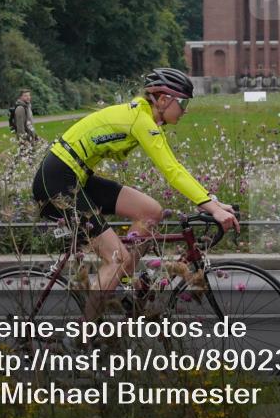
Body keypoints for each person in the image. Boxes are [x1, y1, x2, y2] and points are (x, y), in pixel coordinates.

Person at [32, 67, 239, 320]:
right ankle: (82, 339)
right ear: (163, 100)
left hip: (75, 177)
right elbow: (172, 170)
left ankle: (124, 287)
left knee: (151, 212)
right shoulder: (142, 121)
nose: (185, 110)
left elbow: (174, 168)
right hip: (56, 182)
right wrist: (213, 208)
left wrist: (212, 201)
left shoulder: (143, 116)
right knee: (116, 258)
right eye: (182, 102)